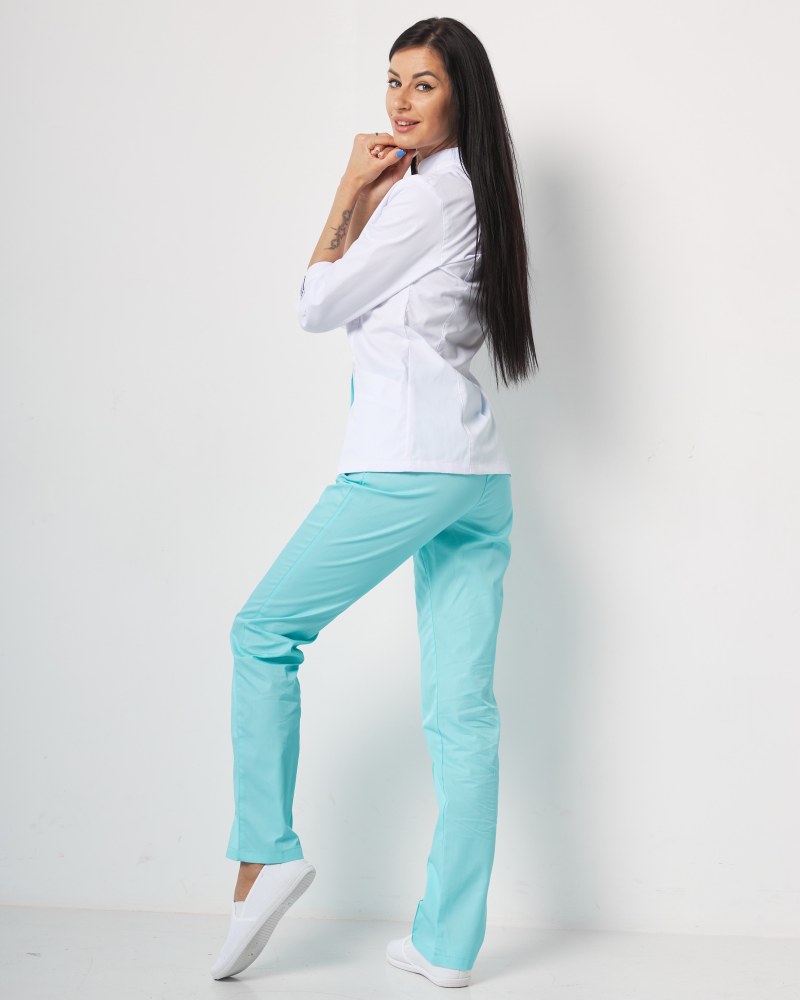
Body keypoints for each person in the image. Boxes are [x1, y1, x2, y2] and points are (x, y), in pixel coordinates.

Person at [210, 15, 537, 989]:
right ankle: (444, 944)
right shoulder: (473, 191)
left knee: (262, 631)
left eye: (423, 84)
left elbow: (316, 304)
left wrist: (347, 191)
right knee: (462, 713)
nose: (399, 101)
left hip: (406, 463)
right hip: (477, 475)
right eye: (392, 80)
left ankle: (264, 854)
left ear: (461, 96)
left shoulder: (425, 197)